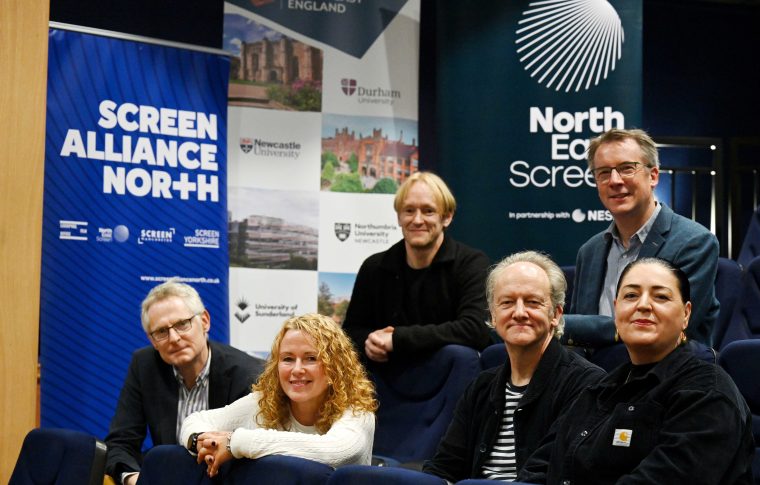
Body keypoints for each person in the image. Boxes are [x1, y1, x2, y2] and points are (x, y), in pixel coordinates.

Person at [520, 258, 754, 484]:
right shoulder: (597, 389)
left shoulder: (708, 392)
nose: (643, 305)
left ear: (686, 314)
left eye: (661, 297)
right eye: (631, 295)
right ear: (616, 309)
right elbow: (540, 467)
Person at [423, 251, 604, 482]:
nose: (519, 313)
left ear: (556, 314)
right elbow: (444, 466)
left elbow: (546, 474)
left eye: (533, 302)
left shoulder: (585, 384)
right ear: (493, 315)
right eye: (507, 302)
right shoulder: (481, 387)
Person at [566, 128, 720, 354]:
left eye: (627, 168)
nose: (615, 181)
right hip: (594, 382)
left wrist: (564, 325)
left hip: (664, 379)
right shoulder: (589, 251)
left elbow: (667, 328)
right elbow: (578, 341)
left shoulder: (695, 242)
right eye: (604, 173)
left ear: (654, 176)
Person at [179, 313, 377, 477]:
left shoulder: (358, 411)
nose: (297, 369)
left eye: (311, 358)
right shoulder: (263, 402)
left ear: (335, 367)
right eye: (288, 359)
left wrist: (236, 443)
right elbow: (197, 420)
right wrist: (204, 444)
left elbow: (336, 451)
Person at [105, 279, 263, 485]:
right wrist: (135, 480)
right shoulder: (144, 365)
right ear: (152, 340)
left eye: (182, 324)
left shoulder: (246, 373)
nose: (174, 338)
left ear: (205, 321)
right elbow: (120, 442)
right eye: (161, 331)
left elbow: (252, 456)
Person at [343, 171, 491, 364]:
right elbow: (351, 332)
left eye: (428, 211)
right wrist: (371, 342)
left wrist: (398, 339)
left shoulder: (471, 263)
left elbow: (475, 330)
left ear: (446, 217)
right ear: (398, 217)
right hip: (388, 376)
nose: (417, 220)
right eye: (409, 210)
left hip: (452, 377)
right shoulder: (374, 267)